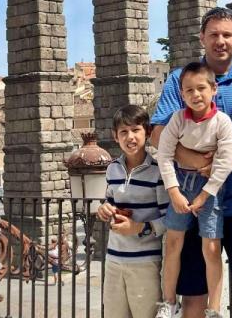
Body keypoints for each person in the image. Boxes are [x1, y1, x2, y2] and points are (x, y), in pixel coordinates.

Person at [151, 7, 232, 318]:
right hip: (192, 207)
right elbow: (158, 133)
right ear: (201, 37)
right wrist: (191, 158)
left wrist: (228, 161)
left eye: (227, 34)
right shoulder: (181, 78)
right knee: (193, 299)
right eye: (213, 34)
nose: (220, 41)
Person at [157, 62, 232, 318]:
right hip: (180, 183)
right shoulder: (178, 119)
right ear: (182, 94)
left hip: (210, 188)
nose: (196, 94)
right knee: (173, 243)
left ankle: (214, 308)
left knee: (211, 247)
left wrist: (204, 195)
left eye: (201, 88)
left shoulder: (222, 122)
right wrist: (174, 192)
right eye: (189, 90)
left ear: (214, 89)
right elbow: (164, 154)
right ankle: (169, 302)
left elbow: (225, 163)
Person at [97, 105, 169, 318]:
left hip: (145, 263)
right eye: (124, 132)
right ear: (115, 136)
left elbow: (170, 219)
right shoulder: (112, 169)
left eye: (136, 130)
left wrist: (141, 228)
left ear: (147, 132)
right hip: (113, 260)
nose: (130, 137)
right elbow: (109, 201)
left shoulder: (158, 172)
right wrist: (104, 209)